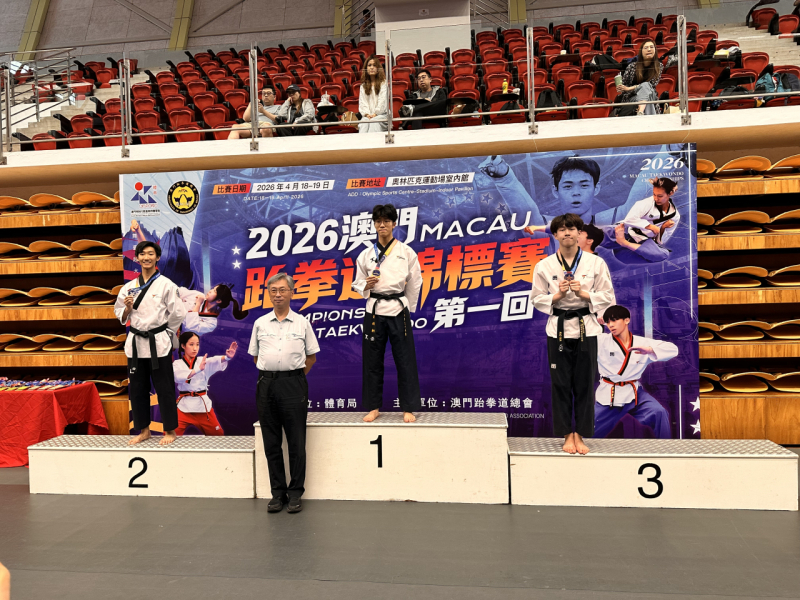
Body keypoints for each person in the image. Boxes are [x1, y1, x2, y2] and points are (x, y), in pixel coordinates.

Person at [531, 213, 615, 455]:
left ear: (580, 233)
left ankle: (581, 433)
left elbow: (607, 296)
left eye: (572, 229)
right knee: (560, 383)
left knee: (585, 383)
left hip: (587, 327)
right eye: (562, 229)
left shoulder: (595, 263)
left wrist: (585, 295)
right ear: (555, 235)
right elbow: (536, 299)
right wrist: (557, 296)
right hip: (557, 328)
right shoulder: (544, 265)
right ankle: (567, 433)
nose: (567, 233)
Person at [249, 272, 319, 514]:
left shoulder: (302, 322)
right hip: (266, 385)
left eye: (282, 290)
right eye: (273, 291)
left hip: (293, 385)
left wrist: (293, 377)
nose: (278, 294)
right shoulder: (260, 323)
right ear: (269, 294)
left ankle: (296, 492)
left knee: (296, 441)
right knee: (271, 442)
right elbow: (256, 357)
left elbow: (311, 357)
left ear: (291, 292)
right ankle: (277, 493)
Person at [352, 204, 423, 423]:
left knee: (405, 359)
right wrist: (365, 285)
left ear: (394, 224)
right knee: (372, 360)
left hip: (399, 308)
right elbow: (356, 283)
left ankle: (408, 407)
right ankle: (373, 407)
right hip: (374, 309)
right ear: (374, 224)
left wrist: (408, 307)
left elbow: (415, 282)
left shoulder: (406, 252)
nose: (382, 225)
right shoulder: (365, 254)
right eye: (378, 221)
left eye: (386, 221)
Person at [114, 241, 187, 445]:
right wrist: (127, 309)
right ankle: (144, 430)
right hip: (136, 344)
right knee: (138, 389)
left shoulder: (166, 285)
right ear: (137, 258)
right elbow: (119, 314)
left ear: (157, 258)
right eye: (142, 254)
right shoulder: (128, 287)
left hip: (158, 344)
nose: (146, 257)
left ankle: (170, 431)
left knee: (164, 388)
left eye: (150, 254)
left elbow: (178, 313)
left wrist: (166, 332)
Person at [594, 305, 678, 438]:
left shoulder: (642, 342)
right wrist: (595, 322)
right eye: (608, 322)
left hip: (634, 393)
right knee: (589, 431)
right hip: (609, 395)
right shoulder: (601, 340)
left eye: (614, 320)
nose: (611, 325)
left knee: (659, 412)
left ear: (626, 320)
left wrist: (650, 350)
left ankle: (666, 447)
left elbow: (673, 349)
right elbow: (583, 337)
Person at [601, 177, 680, 264]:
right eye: (654, 194)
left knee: (663, 255)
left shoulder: (675, 216)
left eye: (660, 196)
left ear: (670, 193)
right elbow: (629, 219)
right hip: (625, 231)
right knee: (595, 233)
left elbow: (661, 241)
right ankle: (621, 241)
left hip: (639, 245)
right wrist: (650, 226)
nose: (656, 198)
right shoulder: (647, 203)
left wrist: (663, 228)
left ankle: (624, 243)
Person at [173, 331, 237, 436]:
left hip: (202, 407)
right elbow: (177, 376)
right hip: (183, 407)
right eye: (191, 344)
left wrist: (227, 357)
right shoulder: (177, 364)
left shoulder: (202, 361)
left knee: (218, 435)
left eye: (197, 344)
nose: (195, 348)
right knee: (170, 434)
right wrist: (198, 369)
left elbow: (214, 360)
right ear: (183, 346)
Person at [179, 283, 249, 335]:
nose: (210, 291)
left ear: (218, 301)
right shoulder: (200, 296)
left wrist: (198, 304)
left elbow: (189, 327)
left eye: (214, 291)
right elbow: (180, 291)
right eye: (212, 288)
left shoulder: (211, 323)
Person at [616, 39, 662, 116]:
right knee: (647, 99)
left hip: (651, 94)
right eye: (646, 48)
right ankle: (644, 115)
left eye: (651, 47)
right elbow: (624, 86)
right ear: (641, 51)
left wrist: (629, 88)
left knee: (646, 86)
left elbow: (651, 85)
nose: (649, 49)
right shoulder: (632, 66)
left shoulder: (659, 66)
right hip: (633, 97)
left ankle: (640, 112)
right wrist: (622, 87)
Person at [358, 55, 388, 133]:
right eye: (369, 65)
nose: (372, 67)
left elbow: (382, 102)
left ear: (378, 68)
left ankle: (373, 141)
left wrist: (375, 114)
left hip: (382, 115)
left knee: (374, 122)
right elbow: (363, 102)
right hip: (368, 116)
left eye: (374, 65)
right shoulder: (363, 86)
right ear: (366, 68)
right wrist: (367, 114)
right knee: (363, 124)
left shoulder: (383, 84)